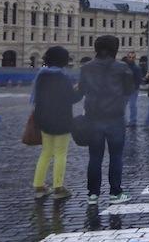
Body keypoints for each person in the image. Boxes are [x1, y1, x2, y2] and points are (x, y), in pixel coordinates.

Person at [77, 35, 134, 205]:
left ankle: (92, 194)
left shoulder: (86, 67)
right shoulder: (122, 67)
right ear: (114, 49)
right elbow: (129, 89)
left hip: (93, 117)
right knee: (116, 156)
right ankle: (115, 192)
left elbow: (81, 90)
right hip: (115, 118)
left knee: (94, 157)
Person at [32, 46, 82, 199]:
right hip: (61, 120)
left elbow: (38, 98)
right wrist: (80, 90)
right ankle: (58, 188)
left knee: (46, 152)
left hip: (43, 119)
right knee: (60, 153)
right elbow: (71, 98)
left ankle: (39, 187)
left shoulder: (41, 75)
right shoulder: (63, 77)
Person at [123, 52, 143, 126]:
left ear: (134, 58)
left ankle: (133, 121)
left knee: (132, 105)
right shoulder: (124, 67)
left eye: (133, 57)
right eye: (130, 57)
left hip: (133, 90)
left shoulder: (137, 68)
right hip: (125, 89)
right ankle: (124, 121)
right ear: (127, 58)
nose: (131, 59)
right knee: (123, 106)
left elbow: (139, 80)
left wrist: (134, 86)